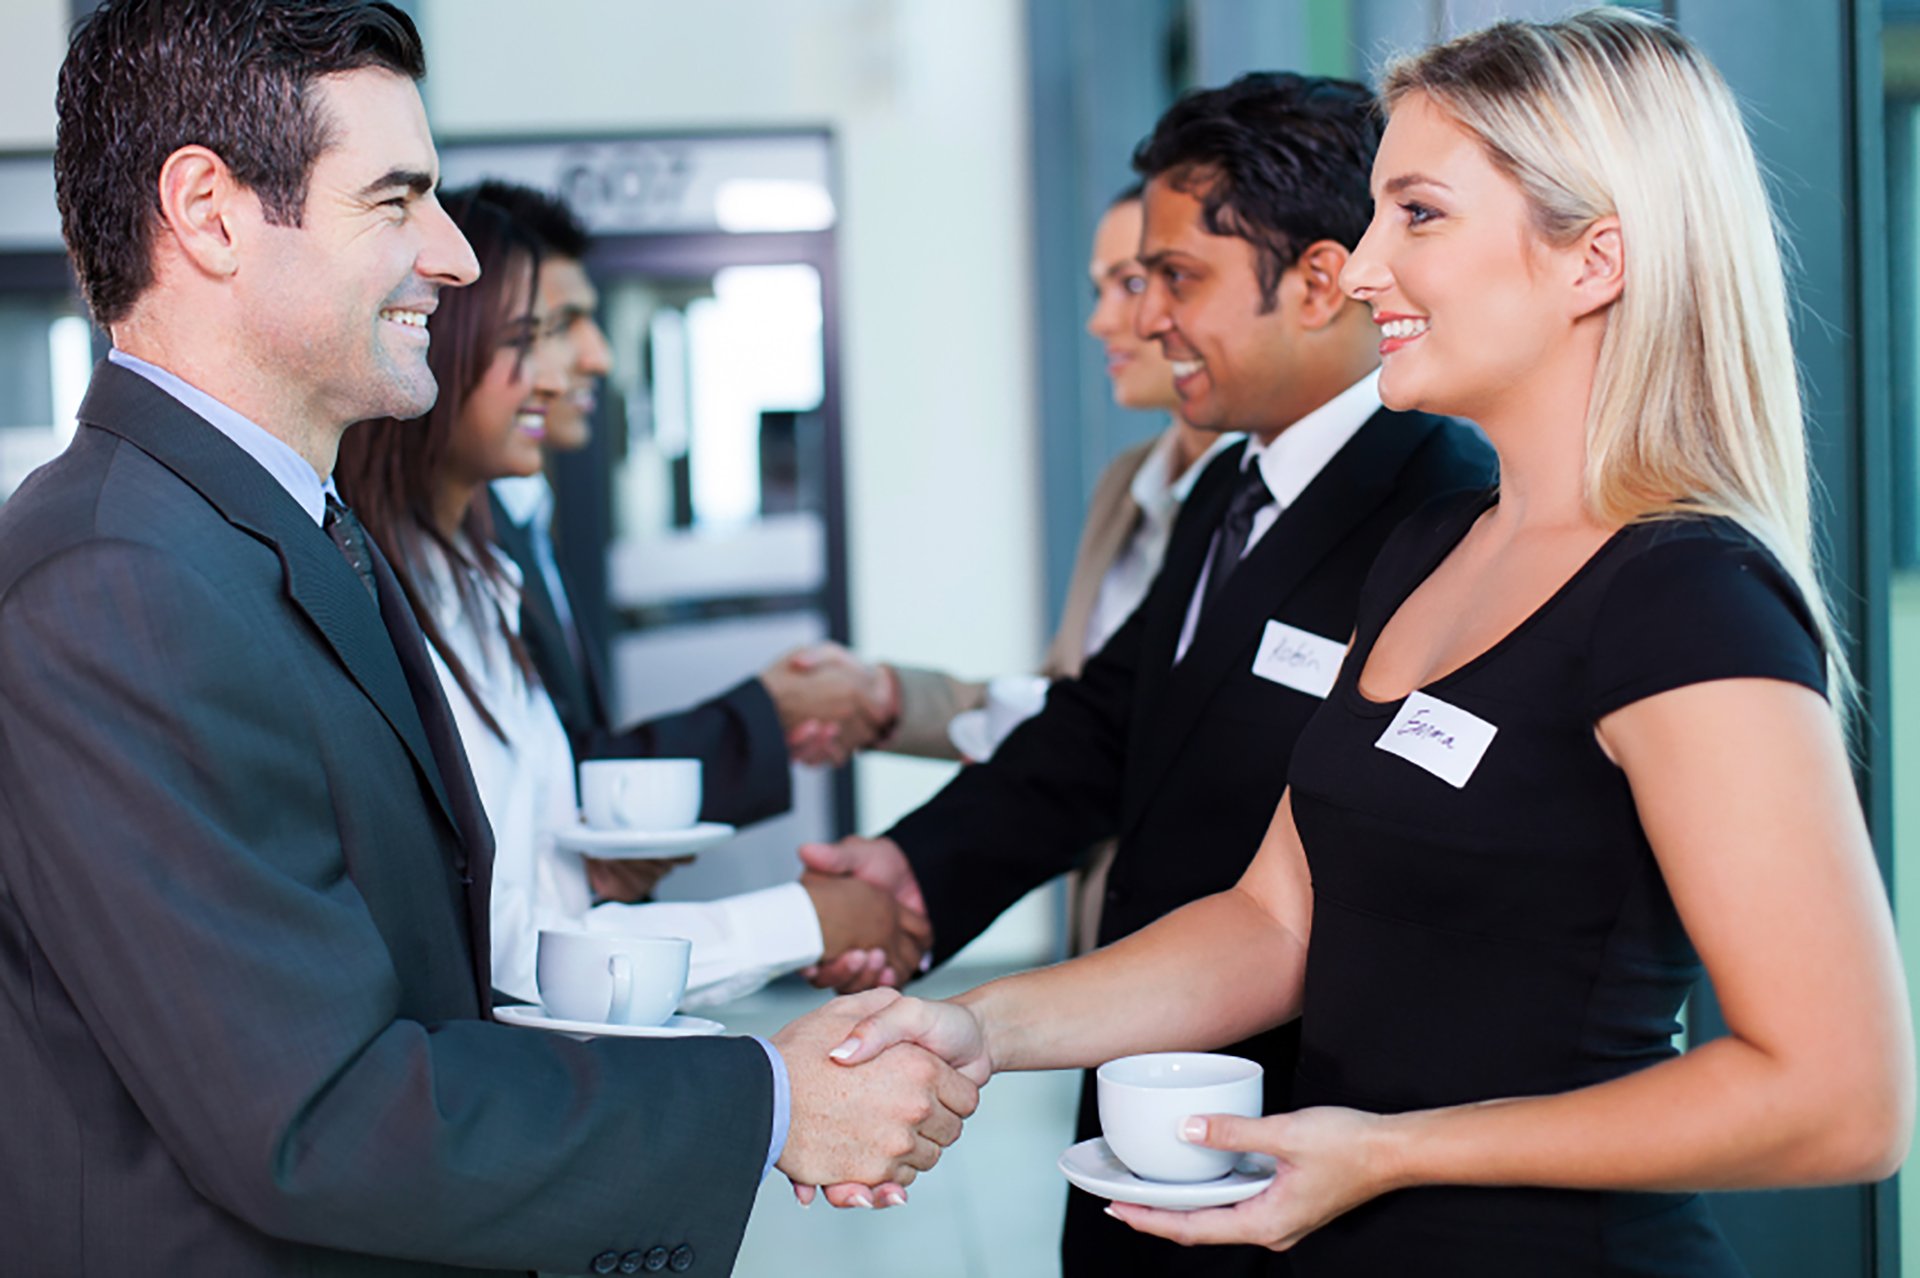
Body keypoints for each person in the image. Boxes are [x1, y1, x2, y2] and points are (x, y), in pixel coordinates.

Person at [829, 11, 1914, 1275]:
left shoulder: (1691, 599)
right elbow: (1273, 925)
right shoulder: (1429, 548)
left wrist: (1398, 1149)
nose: (1359, 269)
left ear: (1593, 261)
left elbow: (1842, 1101)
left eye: (1420, 214)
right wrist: (976, 1030)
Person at [0, 5, 971, 1273]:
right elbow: (317, 1116)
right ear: (211, 211)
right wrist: (774, 1103)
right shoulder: (120, 581)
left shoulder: (270, 531)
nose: (452, 257)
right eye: (396, 200)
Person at [803, 72, 1495, 1277]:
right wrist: (916, 870)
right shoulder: (1230, 486)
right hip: (1143, 1103)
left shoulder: (1442, 504)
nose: (1148, 315)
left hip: (1307, 1133)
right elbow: (1104, 728)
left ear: (1323, 280)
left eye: (1178, 278)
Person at [334, 188, 930, 1009]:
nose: (586, 361)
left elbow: (536, 875)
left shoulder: (475, 577)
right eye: (531, 336)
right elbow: (511, 951)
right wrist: (802, 921)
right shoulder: (381, 594)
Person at [469, 179, 892, 905]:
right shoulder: (450, 544)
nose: (595, 357)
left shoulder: (523, 513)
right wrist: (770, 712)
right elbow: (560, 781)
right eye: (553, 327)